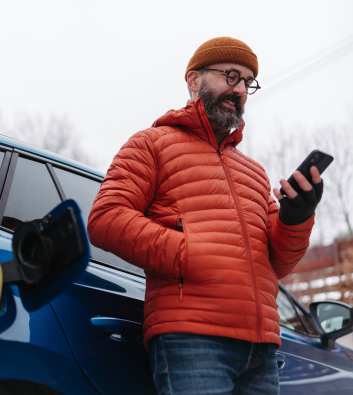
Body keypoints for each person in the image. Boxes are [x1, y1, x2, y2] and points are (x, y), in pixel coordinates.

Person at [87, 37, 324, 395]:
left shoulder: (254, 172)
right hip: (192, 339)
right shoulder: (151, 144)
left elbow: (278, 263)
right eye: (231, 76)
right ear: (193, 80)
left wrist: (297, 216)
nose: (240, 90)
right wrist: (190, 253)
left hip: (260, 348)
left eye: (248, 82)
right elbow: (106, 218)